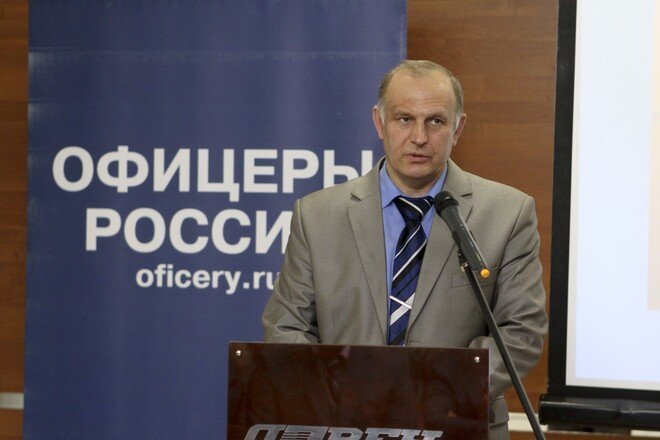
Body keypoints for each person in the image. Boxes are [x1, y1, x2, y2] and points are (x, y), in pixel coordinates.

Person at [262, 59, 548, 439]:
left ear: (458, 128)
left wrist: (430, 395)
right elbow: (286, 328)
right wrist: (341, 396)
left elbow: (521, 330)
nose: (419, 137)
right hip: (344, 426)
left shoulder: (507, 214)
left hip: (458, 426)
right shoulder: (317, 216)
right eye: (404, 119)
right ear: (379, 122)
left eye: (436, 121)